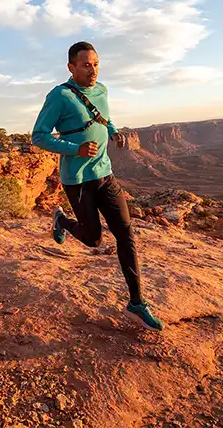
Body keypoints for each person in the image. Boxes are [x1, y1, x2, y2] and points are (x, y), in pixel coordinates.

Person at [31, 41, 164, 331]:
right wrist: (74, 148)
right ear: (71, 67)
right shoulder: (60, 96)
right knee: (93, 240)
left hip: (105, 174)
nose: (93, 70)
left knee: (125, 233)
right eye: (86, 65)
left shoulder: (102, 90)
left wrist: (113, 132)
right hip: (77, 180)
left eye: (96, 64)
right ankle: (62, 221)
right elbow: (38, 136)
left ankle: (137, 302)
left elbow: (105, 118)